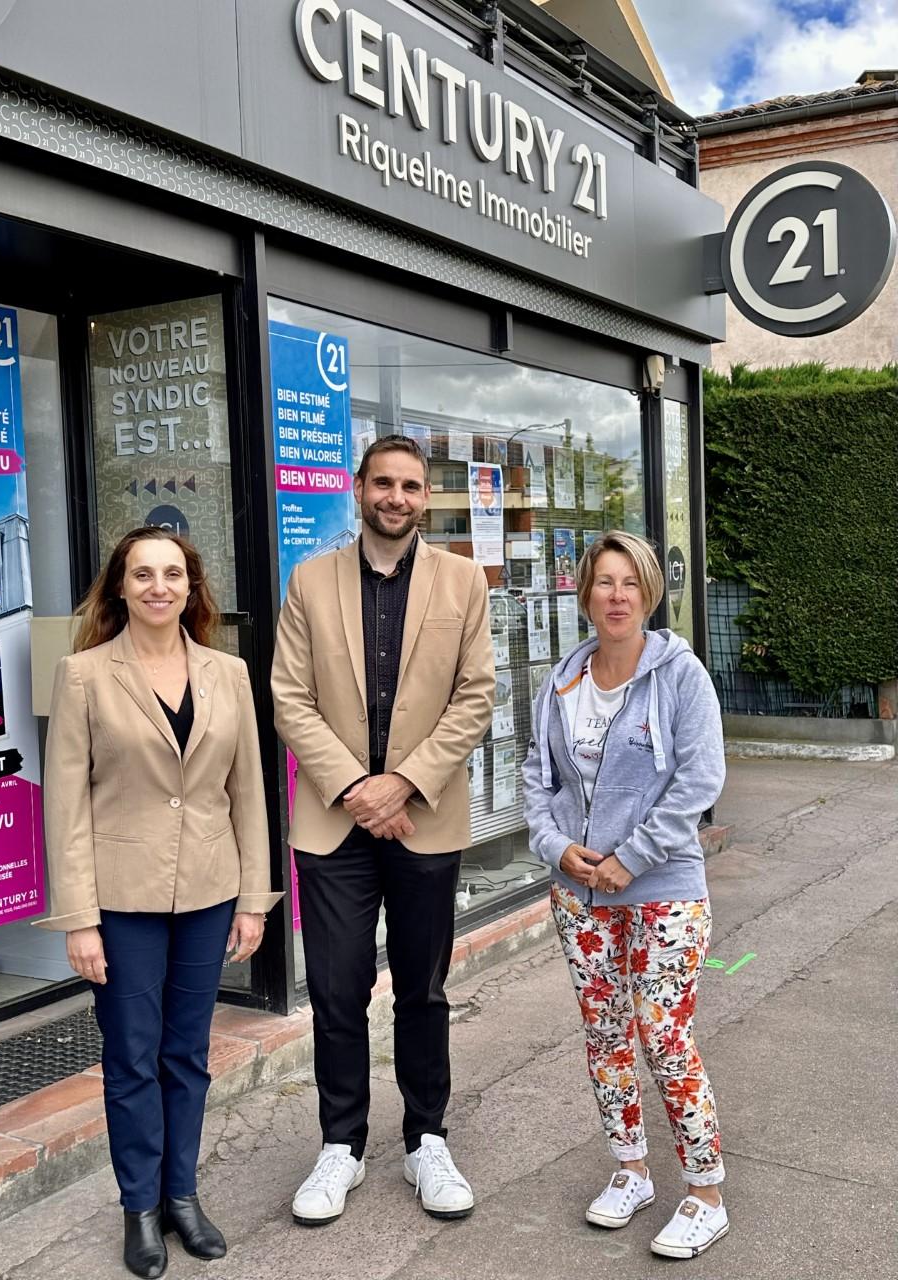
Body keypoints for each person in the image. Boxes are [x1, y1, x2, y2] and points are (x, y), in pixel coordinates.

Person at [39, 527, 281, 1279]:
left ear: (191, 585)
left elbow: (249, 792)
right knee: (132, 1057)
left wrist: (254, 899)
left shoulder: (228, 672)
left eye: (171, 574)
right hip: (122, 899)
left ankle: (182, 1195)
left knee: (187, 1054)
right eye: (141, 574)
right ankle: (139, 1206)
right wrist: (78, 917)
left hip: (210, 893)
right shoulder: (83, 675)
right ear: (119, 587)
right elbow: (65, 804)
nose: (157, 586)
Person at [271, 435, 495, 1226]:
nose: (396, 497)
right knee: (335, 989)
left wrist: (402, 783)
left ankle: (426, 1139)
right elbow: (289, 698)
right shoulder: (309, 580)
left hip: (426, 819)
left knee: (423, 988)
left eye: (410, 486)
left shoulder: (465, 581)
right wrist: (359, 790)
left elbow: (476, 696)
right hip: (333, 826)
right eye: (383, 483)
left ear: (424, 498)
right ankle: (341, 1147)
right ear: (357, 488)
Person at [522, 530, 728, 1261]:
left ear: (649, 592)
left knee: (664, 1037)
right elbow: (534, 781)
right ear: (585, 595)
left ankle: (705, 1192)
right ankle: (631, 1169)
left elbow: (700, 781)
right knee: (606, 1037)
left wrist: (629, 859)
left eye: (630, 582)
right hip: (578, 895)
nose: (616, 596)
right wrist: (558, 849)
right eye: (603, 582)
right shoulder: (562, 679)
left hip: (662, 889)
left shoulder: (679, 674)